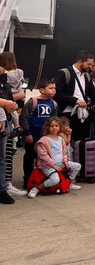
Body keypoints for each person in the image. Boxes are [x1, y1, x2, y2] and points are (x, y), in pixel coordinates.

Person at [53, 51, 95, 150]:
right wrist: (75, 100)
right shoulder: (64, 73)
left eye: (92, 64)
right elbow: (56, 93)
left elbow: (93, 93)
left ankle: (80, 164)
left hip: (83, 114)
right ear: (80, 62)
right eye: (89, 64)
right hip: (66, 115)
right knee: (65, 143)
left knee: (82, 142)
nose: (91, 67)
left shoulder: (87, 76)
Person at [17, 80, 58, 193]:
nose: (53, 90)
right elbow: (24, 118)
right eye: (50, 88)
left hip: (46, 137)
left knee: (44, 159)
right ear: (42, 90)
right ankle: (28, 181)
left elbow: (54, 120)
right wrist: (27, 133)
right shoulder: (32, 102)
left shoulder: (54, 104)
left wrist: (54, 135)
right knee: (30, 157)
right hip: (33, 135)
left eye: (54, 88)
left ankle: (42, 180)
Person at [27, 117, 82, 198]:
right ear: (47, 127)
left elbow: (64, 153)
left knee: (77, 166)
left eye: (56, 125)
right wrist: (54, 166)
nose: (54, 128)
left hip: (60, 163)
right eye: (52, 126)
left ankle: (68, 183)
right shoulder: (44, 140)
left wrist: (66, 162)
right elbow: (43, 157)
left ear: (60, 127)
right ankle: (37, 188)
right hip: (47, 165)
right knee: (55, 180)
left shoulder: (61, 139)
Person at [0, 52, 25, 196]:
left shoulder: (4, 76)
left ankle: (6, 183)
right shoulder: (19, 73)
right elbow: (20, 95)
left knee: (7, 153)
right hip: (8, 113)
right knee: (6, 154)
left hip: (7, 114)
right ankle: (5, 184)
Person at [0, 68, 18, 204]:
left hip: (4, 124)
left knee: (2, 158)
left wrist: (11, 105)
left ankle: (1, 190)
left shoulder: (5, 85)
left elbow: (11, 103)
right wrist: (5, 103)